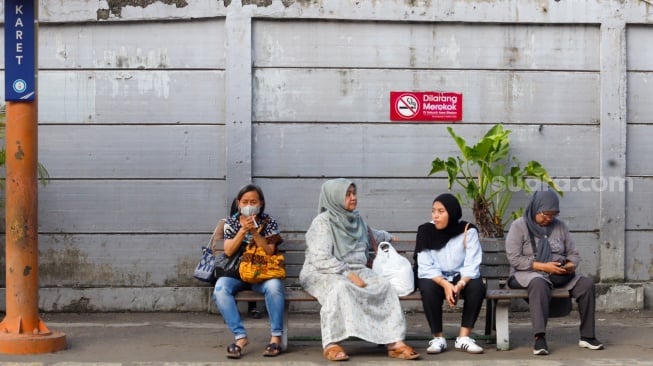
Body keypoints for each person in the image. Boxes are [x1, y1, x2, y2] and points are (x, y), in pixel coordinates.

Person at [299, 178, 420, 361]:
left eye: (354, 193)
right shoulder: (322, 222)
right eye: (347, 194)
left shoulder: (356, 219)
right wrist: (348, 274)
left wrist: (388, 237)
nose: (353, 198)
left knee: (384, 286)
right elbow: (320, 257)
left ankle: (393, 342)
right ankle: (332, 343)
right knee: (340, 288)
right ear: (335, 197)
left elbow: (373, 233)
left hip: (356, 270)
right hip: (324, 271)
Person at [505, 190, 603, 355]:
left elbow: (573, 253)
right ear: (535, 209)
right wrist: (543, 267)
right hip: (527, 273)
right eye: (545, 214)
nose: (549, 219)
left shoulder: (560, 226)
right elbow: (514, 259)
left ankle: (587, 336)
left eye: (553, 215)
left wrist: (570, 264)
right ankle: (540, 338)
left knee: (586, 285)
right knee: (539, 282)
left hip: (558, 274)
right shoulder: (519, 226)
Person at [212, 184, 285, 359]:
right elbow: (228, 251)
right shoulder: (230, 222)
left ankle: (276, 337)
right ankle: (240, 337)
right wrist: (243, 229)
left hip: (262, 273)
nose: (249, 205)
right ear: (238, 203)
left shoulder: (269, 222)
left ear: (261, 203)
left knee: (275, 288)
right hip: (237, 274)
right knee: (220, 289)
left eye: (253, 201)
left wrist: (255, 231)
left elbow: (269, 251)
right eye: (245, 201)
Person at [414, 193, 486, 355]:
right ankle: (438, 338)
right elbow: (425, 266)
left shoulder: (468, 231)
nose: (436, 215)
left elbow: (472, 264)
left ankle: (463, 338)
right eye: (434, 211)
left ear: (452, 212)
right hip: (437, 278)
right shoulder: (425, 230)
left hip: (460, 276)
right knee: (426, 285)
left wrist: (459, 284)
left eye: (441, 211)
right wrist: (446, 284)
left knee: (476, 285)